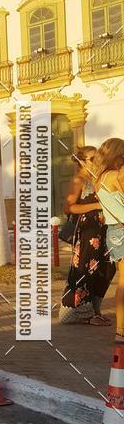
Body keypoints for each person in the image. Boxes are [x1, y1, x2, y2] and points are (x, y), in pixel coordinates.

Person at [59, 146, 115, 326]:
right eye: (92, 158)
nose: (96, 161)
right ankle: (79, 312)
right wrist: (97, 206)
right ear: (82, 161)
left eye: (98, 157)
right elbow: (69, 208)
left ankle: (94, 310)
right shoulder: (79, 179)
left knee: (106, 268)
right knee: (86, 268)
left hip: (102, 230)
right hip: (87, 232)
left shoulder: (98, 178)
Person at [94, 137, 124, 343]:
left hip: (114, 231)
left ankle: (121, 331)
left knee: (122, 282)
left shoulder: (100, 178)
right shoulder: (115, 176)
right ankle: (121, 330)